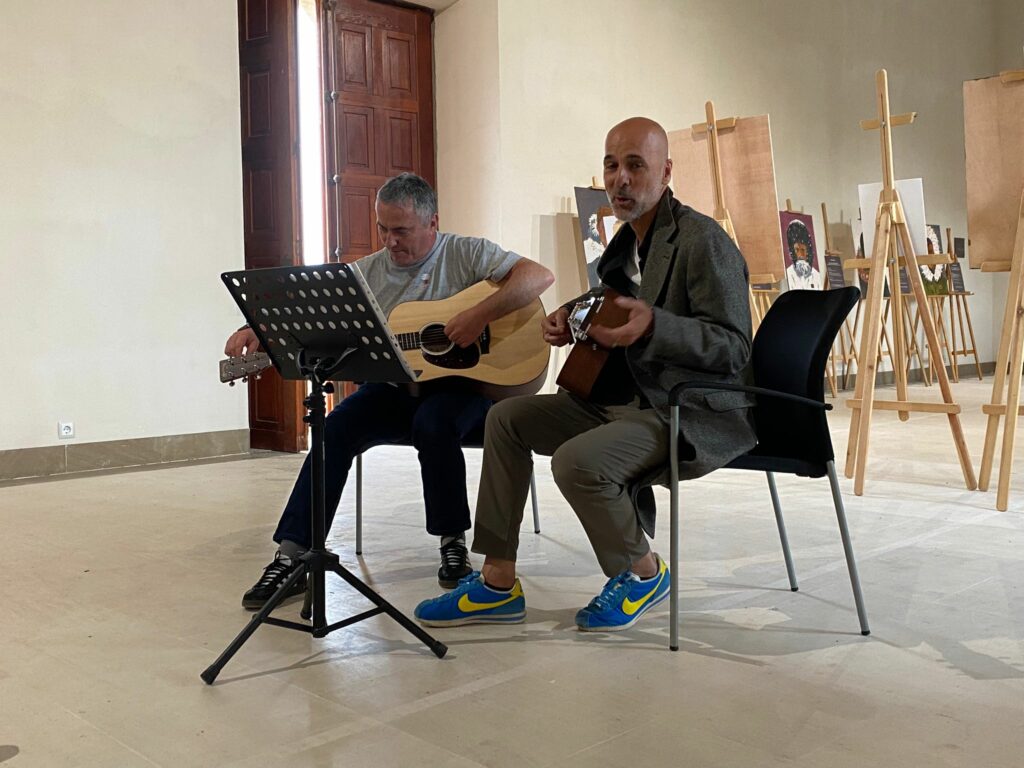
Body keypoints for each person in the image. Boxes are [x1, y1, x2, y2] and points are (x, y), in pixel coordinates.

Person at [414, 117, 756, 632]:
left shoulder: (702, 240)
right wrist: (570, 315)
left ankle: (644, 575)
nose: (620, 179)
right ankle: (497, 583)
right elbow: (609, 298)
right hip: (616, 397)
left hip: (679, 405)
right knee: (505, 420)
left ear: (666, 172)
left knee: (577, 461)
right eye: (611, 165)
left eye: (635, 165)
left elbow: (734, 348)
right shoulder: (626, 242)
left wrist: (656, 327)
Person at [227, 172, 553, 609]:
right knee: (334, 428)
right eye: (382, 228)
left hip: (467, 389)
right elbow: (316, 320)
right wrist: (259, 331)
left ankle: (452, 542)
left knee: (434, 422)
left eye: (401, 230)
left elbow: (538, 277)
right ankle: (293, 556)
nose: (390, 241)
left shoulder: (466, 253)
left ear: (432, 222)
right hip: (397, 390)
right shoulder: (367, 273)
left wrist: (479, 315)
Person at [784, 219, 822, 290]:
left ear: (808, 251)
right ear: (793, 251)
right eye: (797, 250)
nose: (800, 254)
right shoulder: (788, 274)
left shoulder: (816, 276)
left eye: (803, 250)